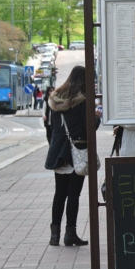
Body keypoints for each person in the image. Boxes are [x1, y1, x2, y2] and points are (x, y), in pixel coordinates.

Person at [44, 67, 100, 247]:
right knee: (73, 195)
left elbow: (51, 128)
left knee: (59, 194)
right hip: (77, 152)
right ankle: (70, 234)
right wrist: (97, 117)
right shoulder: (82, 101)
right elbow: (88, 128)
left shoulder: (55, 99)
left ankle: (54, 235)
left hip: (59, 152)